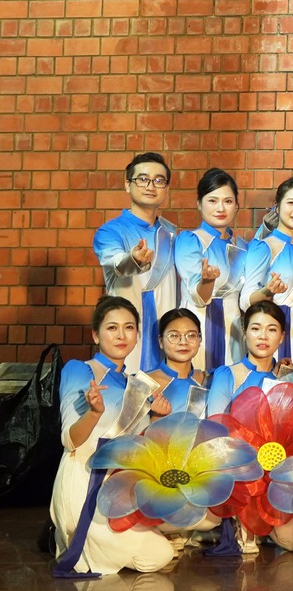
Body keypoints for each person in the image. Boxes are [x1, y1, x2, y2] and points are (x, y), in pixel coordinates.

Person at [52, 297, 176, 575]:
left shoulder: (139, 384)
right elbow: (70, 441)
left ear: (137, 335)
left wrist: (158, 418)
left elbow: (142, 447)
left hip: (121, 484)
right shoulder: (80, 369)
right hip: (84, 480)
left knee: (172, 525)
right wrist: (94, 412)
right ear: (96, 335)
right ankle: (69, 532)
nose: (121, 335)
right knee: (159, 555)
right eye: (112, 327)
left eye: (129, 327)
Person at [94, 152, 180, 372]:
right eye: (142, 179)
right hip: (126, 334)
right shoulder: (110, 231)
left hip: (166, 332)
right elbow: (117, 263)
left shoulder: (170, 233)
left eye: (159, 180)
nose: (150, 186)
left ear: (167, 188)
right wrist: (134, 259)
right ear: (127, 184)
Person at [232, 177, 293, 362]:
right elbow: (246, 301)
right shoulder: (264, 247)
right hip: (272, 344)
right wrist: (268, 291)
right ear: (277, 207)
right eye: (291, 203)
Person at [174, 167, 245, 369]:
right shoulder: (191, 240)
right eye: (212, 201)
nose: (220, 208)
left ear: (237, 205)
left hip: (234, 334)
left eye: (228, 201)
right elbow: (197, 297)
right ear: (199, 204)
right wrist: (207, 281)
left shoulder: (242, 246)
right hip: (198, 330)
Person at [205, 299, 293, 418]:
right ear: (244, 333)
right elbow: (215, 425)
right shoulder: (227, 376)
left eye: (272, 330)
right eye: (255, 329)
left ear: (282, 336)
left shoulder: (288, 376)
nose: (263, 336)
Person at [138, 309, 209, 417]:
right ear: (161, 341)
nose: (183, 342)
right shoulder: (143, 383)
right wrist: (156, 416)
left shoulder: (210, 380)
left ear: (200, 340)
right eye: (174, 336)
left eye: (191, 335)